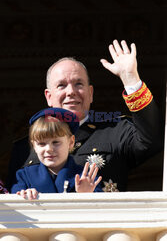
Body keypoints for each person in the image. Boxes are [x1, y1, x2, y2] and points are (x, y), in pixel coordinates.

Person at [6, 39, 163, 192]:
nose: (71, 92)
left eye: (78, 84)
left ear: (90, 93)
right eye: (61, 85)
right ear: (48, 96)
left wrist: (130, 79)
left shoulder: (115, 132)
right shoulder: (23, 149)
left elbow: (152, 140)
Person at [11, 107, 102, 199]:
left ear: (71, 142)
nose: (49, 149)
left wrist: (85, 195)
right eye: (41, 144)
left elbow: (100, 209)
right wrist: (24, 195)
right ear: (33, 145)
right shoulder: (24, 176)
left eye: (56, 142)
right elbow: (13, 206)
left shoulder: (86, 177)